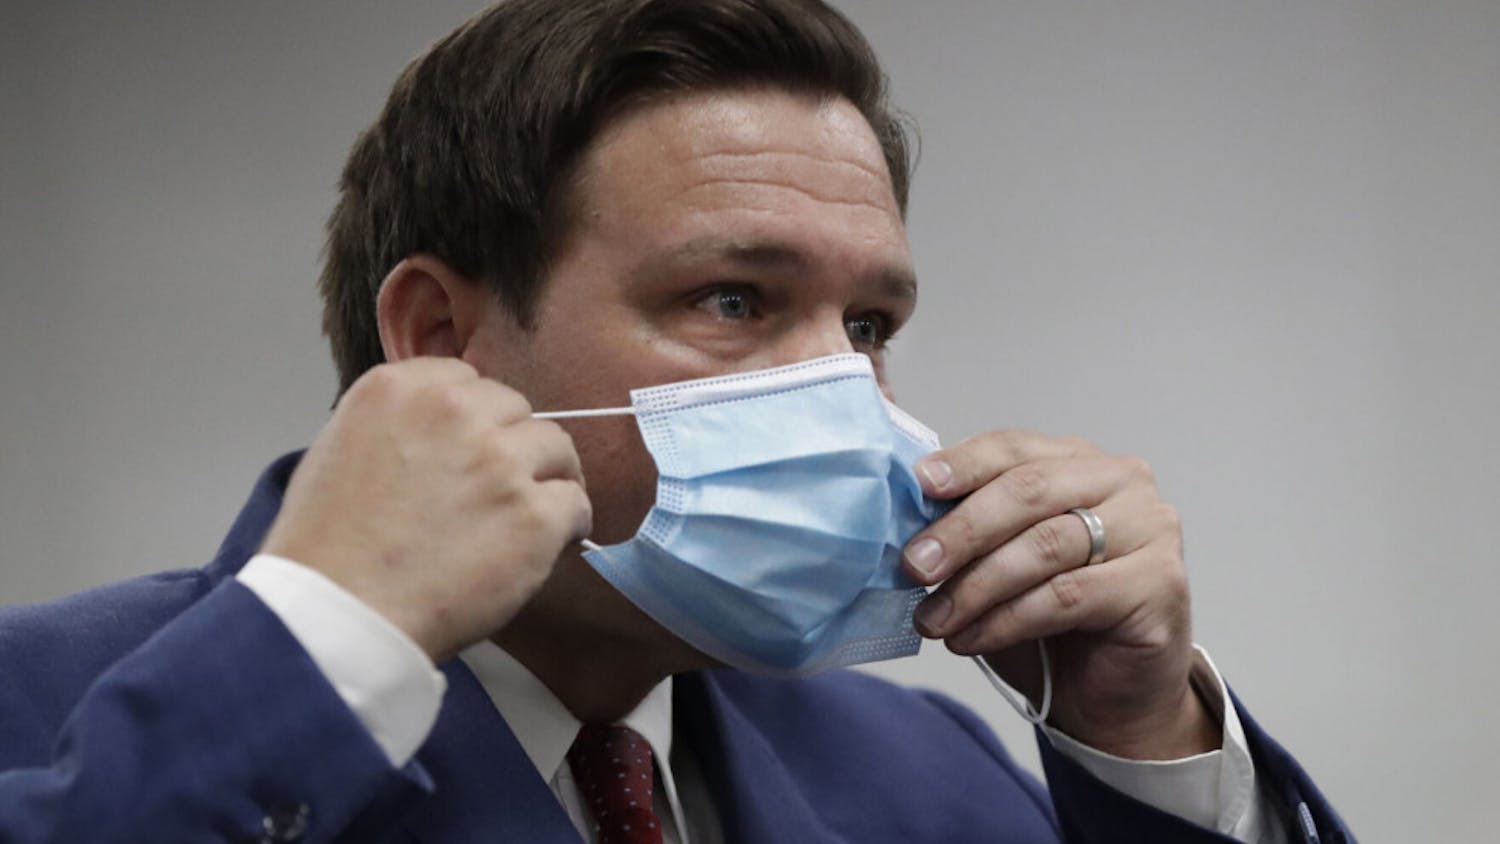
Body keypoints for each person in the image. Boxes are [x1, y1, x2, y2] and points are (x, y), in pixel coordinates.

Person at [0, 1, 1353, 841]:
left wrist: (1143, 741)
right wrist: (327, 645)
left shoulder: (925, 775)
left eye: (867, 325)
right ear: (440, 341)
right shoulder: (36, 705)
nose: (844, 393)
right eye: (733, 299)